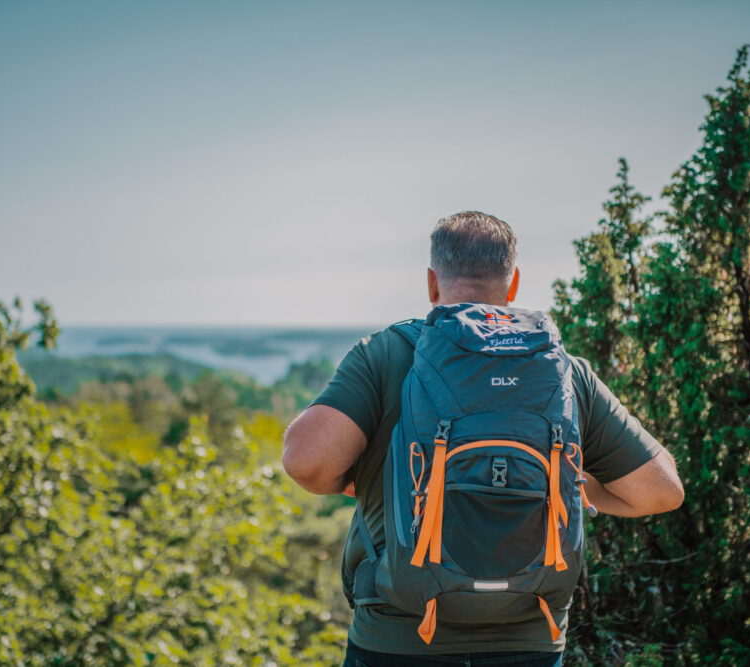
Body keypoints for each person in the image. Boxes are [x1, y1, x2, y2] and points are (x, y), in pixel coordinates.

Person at [282, 211, 685, 666]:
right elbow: (662, 491)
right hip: (529, 640)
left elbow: (306, 461)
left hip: (398, 638)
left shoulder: (387, 354)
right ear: (513, 285)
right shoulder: (563, 372)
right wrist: (562, 481)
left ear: (432, 283)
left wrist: (360, 479)